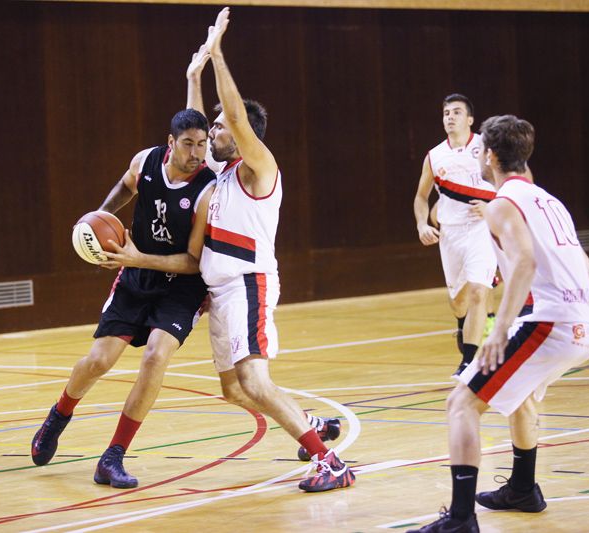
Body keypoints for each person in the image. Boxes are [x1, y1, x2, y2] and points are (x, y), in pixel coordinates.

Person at [409, 115, 589, 532]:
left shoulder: (501, 205)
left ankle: (460, 520)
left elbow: (526, 264)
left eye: (481, 149)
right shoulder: (550, 201)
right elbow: (587, 270)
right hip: (587, 323)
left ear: (490, 156)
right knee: (523, 397)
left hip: (551, 324)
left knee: (460, 404)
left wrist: (501, 330)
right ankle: (522, 489)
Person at [195, 7, 354, 492]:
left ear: (243, 137)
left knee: (257, 382)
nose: (214, 132)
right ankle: (307, 422)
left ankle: (331, 463)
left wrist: (218, 54)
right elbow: (198, 127)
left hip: (248, 283)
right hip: (219, 292)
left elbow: (236, 116)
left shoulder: (258, 168)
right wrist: (193, 74)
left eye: (221, 128)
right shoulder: (222, 173)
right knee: (233, 389)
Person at [30, 107, 216, 489]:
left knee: (156, 355)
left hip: (181, 285)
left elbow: (195, 261)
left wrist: (137, 256)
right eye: (188, 144)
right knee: (99, 361)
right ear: (170, 143)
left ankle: (113, 456)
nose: (196, 152)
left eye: (202, 144)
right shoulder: (145, 161)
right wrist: (97, 216)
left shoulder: (206, 189)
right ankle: (58, 415)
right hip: (135, 277)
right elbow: (124, 187)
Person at [414, 94, 498, 376]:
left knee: (478, 291)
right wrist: (422, 224)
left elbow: (508, 183)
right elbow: (421, 197)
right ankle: (462, 323)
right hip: (451, 234)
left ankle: (469, 362)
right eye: (446, 112)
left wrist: (491, 207)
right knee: (458, 301)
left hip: (481, 230)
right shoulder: (435, 156)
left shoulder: (487, 148)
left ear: (470, 119)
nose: (450, 117)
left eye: (457, 112)